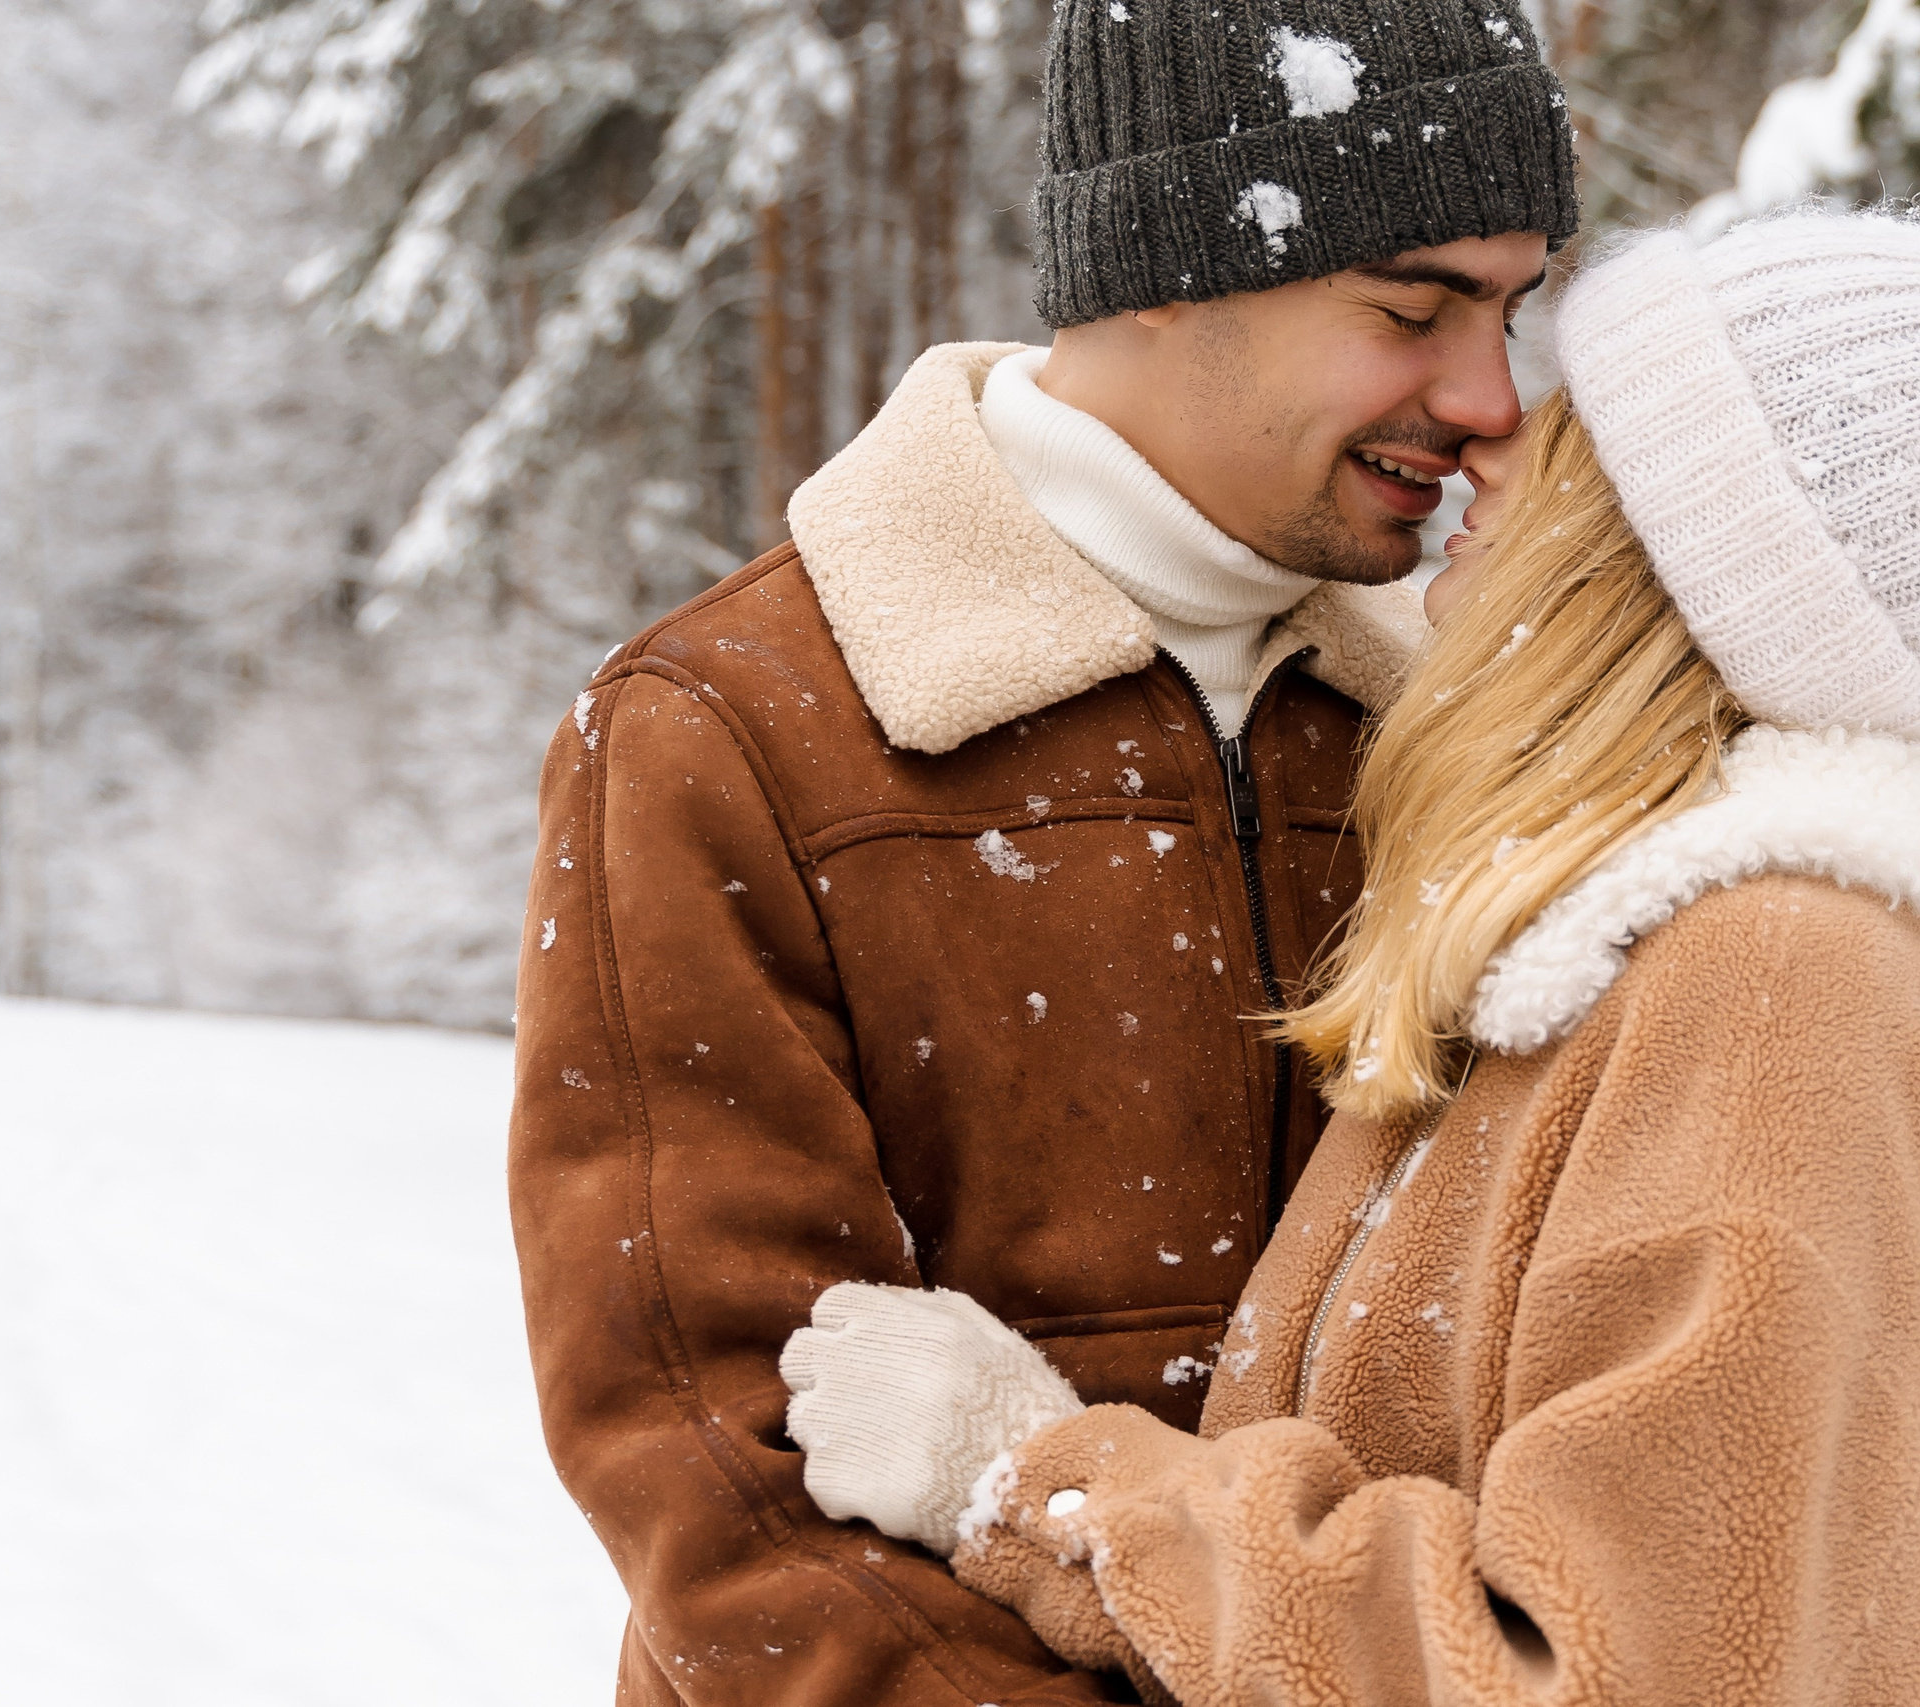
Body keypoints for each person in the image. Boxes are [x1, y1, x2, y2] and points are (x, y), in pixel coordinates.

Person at [779, 207, 1920, 1707]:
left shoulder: (1770, 993)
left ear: (1682, 545)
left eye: (1579, 424)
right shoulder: (1652, 958)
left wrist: (1045, 1489)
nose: (1491, 438)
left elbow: (1616, 1682)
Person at [506, 3, 1576, 1701]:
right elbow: (716, 1449)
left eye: (1514, 308)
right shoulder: (734, 727)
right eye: (1413, 305)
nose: (1486, 397)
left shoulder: (1462, 736)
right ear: (1167, 260)